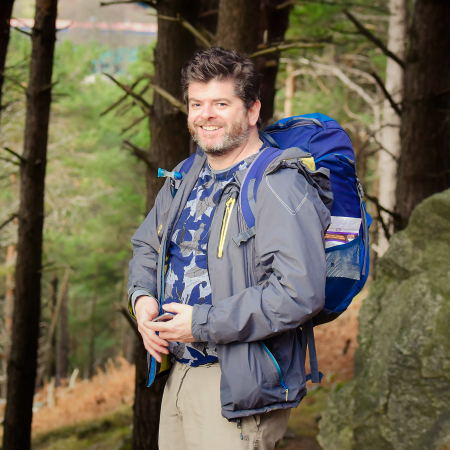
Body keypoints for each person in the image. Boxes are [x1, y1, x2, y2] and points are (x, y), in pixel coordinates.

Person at [127, 47, 331, 450]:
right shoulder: (186, 174)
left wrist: (200, 323)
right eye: (197, 103)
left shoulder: (278, 183)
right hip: (180, 374)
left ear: (252, 111)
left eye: (221, 103)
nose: (206, 114)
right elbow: (146, 246)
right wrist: (142, 299)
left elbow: (298, 293)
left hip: (238, 387)